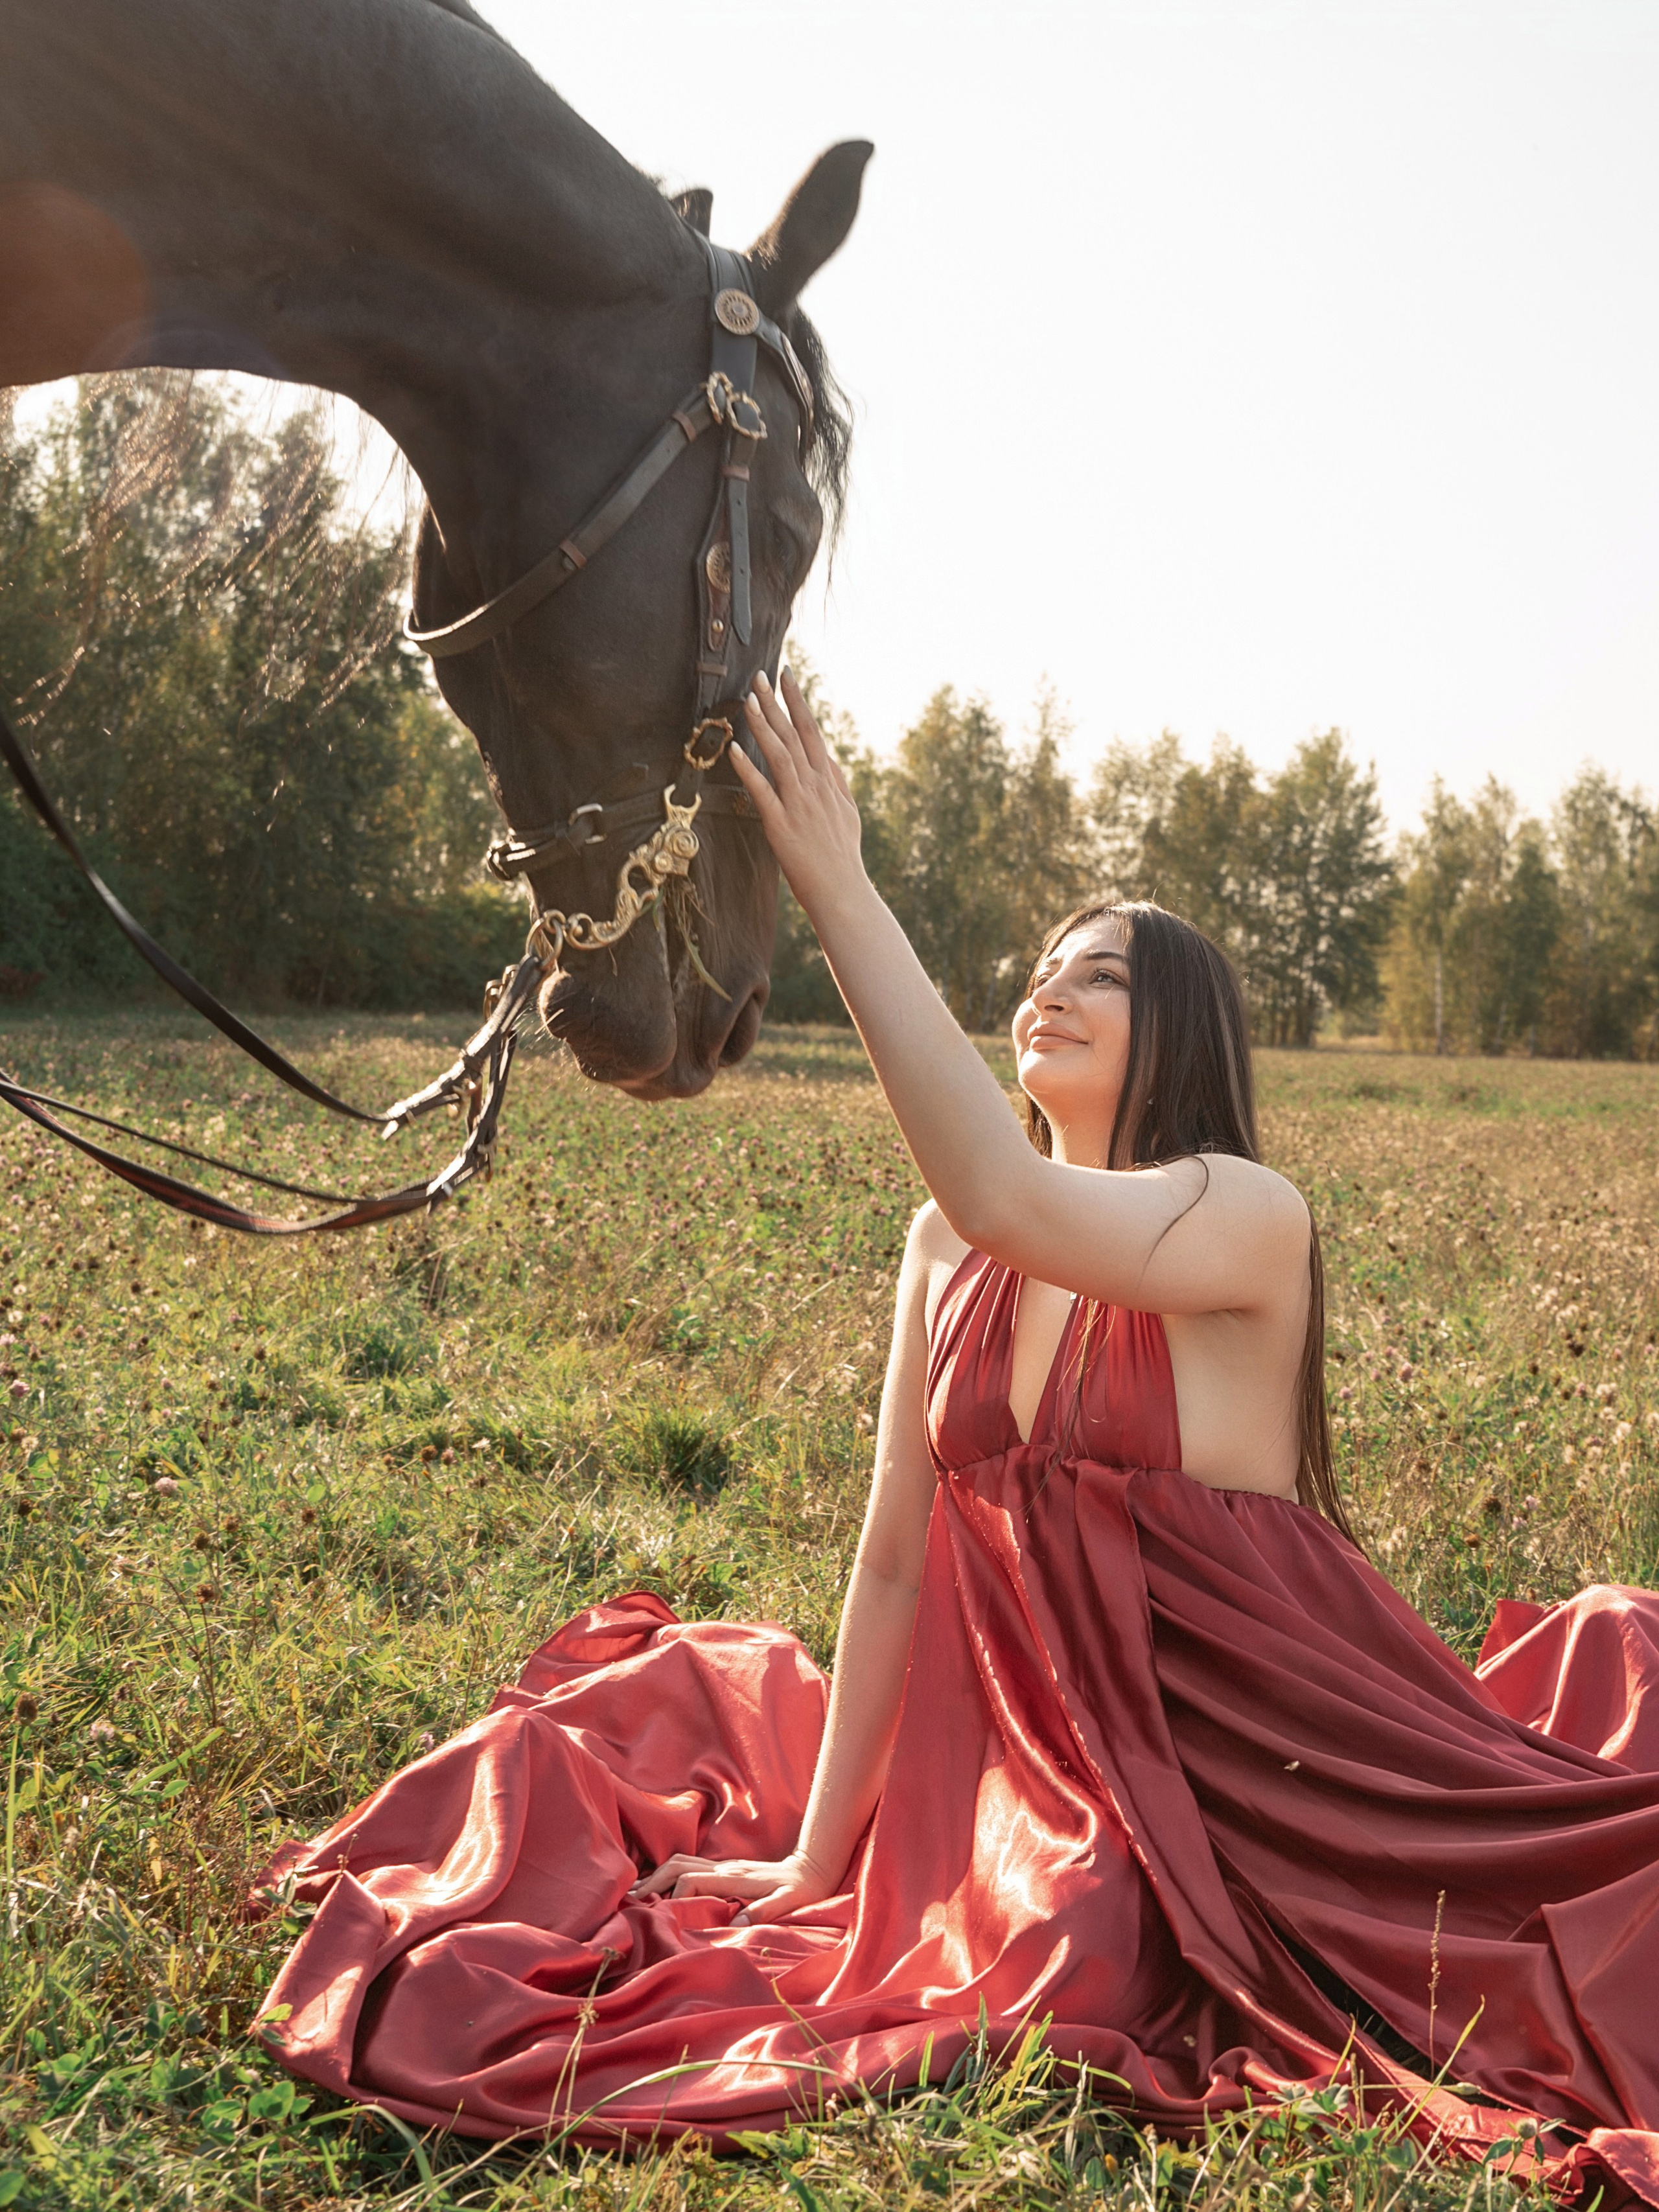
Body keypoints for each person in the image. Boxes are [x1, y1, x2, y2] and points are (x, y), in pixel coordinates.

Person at [257, 675, 1659, 2205]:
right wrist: (811, 1862)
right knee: (930, 1874)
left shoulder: (1243, 1213)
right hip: (1032, 1764)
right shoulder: (945, 1244)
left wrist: (837, 885)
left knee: (1096, 1953)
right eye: (1039, 968)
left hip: (1280, 1778)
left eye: (1099, 977)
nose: (1044, 992)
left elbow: (1016, 1196)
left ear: (1176, 1023)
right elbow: (888, 1567)